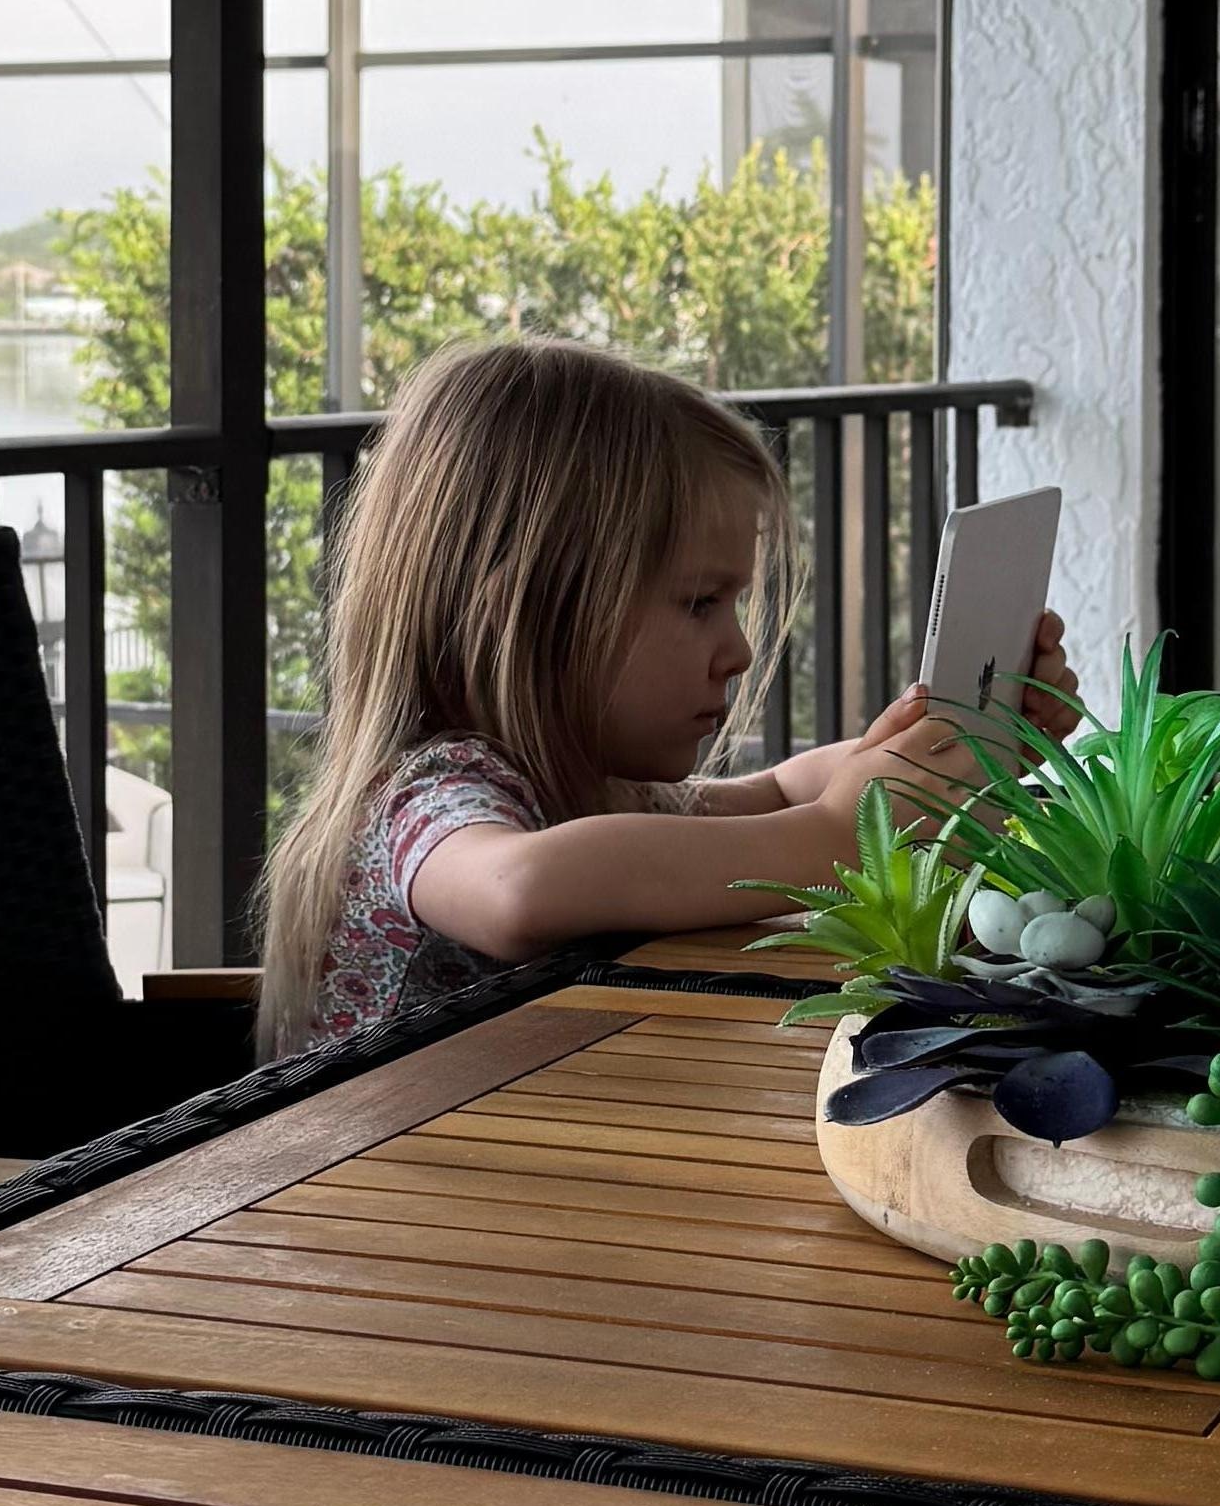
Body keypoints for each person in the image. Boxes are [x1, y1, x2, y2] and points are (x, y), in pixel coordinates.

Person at [260, 332, 1039, 1055]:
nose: (735, 651)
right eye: (701, 603)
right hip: (384, 1184)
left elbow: (777, 790)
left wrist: (938, 746)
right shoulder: (427, 795)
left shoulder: (592, 785)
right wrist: (838, 836)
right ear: (523, 613)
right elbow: (515, 891)